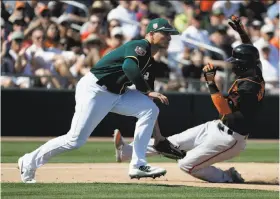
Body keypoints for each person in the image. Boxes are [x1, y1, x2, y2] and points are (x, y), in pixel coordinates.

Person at [18, 18, 179, 183]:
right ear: (151, 34)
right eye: (165, 33)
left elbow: (148, 99)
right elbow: (129, 67)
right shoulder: (139, 45)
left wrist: (158, 136)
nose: (169, 37)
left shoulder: (150, 63)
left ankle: (138, 164)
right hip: (95, 90)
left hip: (118, 94)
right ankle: (28, 161)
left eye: (170, 34)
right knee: (74, 140)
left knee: (149, 109)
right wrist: (148, 90)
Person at [113, 15, 265, 183]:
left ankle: (228, 177)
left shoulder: (248, 88)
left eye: (237, 62)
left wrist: (210, 83)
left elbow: (224, 110)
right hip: (217, 127)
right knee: (169, 143)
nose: (233, 64)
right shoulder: (255, 72)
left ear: (244, 64)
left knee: (186, 164)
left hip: (230, 139)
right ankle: (125, 152)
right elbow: (250, 50)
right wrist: (242, 32)